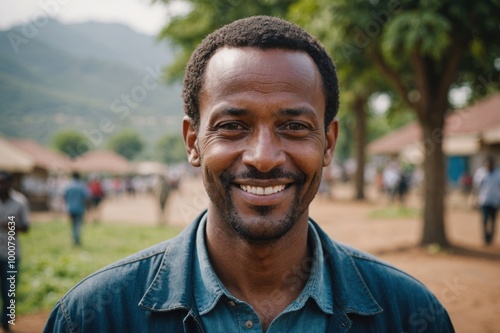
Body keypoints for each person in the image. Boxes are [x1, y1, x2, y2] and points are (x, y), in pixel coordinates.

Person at [44, 16, 454, 332]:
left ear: (328, 143)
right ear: (192, 142)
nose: (262, 157)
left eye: (293, 127)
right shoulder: (92, 317)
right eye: (232, 126)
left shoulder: (411, 314)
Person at [0, 171, 30, 332]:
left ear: (10, 183)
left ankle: (6, 321)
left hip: (11, 253)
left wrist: (10, 226)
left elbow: (26, 227)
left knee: (9, 289)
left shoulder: (19, 201)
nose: (1, 186)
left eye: (4, 182)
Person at [473, 156, 500, 245]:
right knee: (484, 220)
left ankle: (491, 237)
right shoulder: (480, 173)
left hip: (495, 200)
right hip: (484, 200)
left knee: (493, 220)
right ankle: (485, 237)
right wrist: (474, 198)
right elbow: (476, 187)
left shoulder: (498, 174)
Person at [63, 172, 89, 246]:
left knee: (73, 225)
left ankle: (74, 239)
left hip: (70, 208)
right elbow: (86, 197)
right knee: (78, 225)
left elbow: (64, 196)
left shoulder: (69, 186)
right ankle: (77, 240)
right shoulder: (81, 186)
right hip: (79, 208)